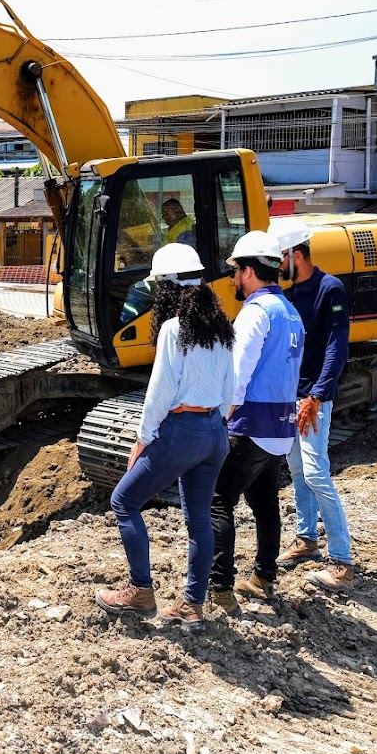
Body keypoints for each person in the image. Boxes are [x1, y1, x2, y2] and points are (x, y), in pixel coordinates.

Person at [95, 244, 235, 631]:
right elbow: (231, 393)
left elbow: (159, 392)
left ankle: (141, 591)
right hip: (214, 433)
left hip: (183, 431)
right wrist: (212, 426)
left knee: (123, 501)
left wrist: (143, 440)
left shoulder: (174, 330)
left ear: (168, 289)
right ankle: (193, 604)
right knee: (199, 521)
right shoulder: (223, 330)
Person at [208, 230, 304, 616]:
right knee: (265, 502)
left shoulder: (255, 313)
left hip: (250, 426)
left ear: (248, 271)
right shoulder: (290, 311)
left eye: (235, 271)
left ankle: (221, 588)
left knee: (218, 502)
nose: (233, 279)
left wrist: (220, 421)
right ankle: (264, 578)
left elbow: (237, 375)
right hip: (281, 429)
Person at [275, 224, 355, 592]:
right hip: (294, 397)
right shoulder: (292, 294)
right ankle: (306, 540)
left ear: (297, 255)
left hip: (313, 399)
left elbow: (337, 347)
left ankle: (341, 561)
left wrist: (317, 396)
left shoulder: (330, 289)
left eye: (281, 258)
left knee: (316, 472)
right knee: (297, 469)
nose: (278, 265)